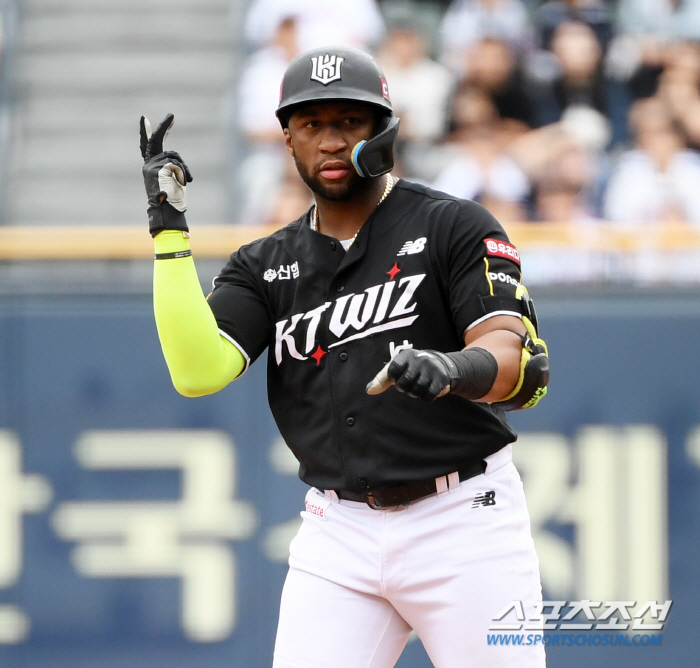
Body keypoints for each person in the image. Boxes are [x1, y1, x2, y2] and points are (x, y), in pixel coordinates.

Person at [140, 46, 549, 668]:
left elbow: (513, 360)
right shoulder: (263, 264)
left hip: (465, 518)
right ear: (287, 140)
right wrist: (169, 230)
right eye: (311, 124)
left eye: (348, 122)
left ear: (384, 130)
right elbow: (198, 372)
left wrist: (450, 369)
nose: (330, 140)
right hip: (338, 532)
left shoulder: (452, 225)